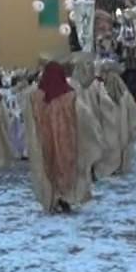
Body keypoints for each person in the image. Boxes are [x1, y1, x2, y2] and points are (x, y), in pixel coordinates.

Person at [23, 61, 103, 213]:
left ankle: (52, 197)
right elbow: (85, 118)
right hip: (67, 142)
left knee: (48, 168)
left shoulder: (35, 98)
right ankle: (65, 197)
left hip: (44, 142)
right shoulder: (70, 96)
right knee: (65, 167)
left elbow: (29, 121)